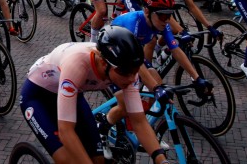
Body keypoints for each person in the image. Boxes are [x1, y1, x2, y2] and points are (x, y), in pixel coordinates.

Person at [19, 26, 171, 164]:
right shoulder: (77, 64)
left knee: (98, 160)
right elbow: (66, 130)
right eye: (125, 72)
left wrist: (161, 160)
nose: (131, 78)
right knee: (66, 159)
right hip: (37, 96)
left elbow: (139, 122)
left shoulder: (125, 69)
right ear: (104, 63)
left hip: (72, 93)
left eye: (135, 71)